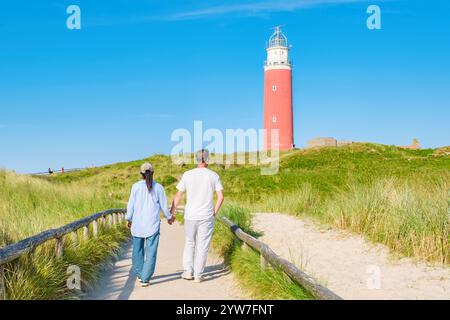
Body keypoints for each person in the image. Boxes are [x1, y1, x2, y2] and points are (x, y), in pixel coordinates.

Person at [171, 149, 224, 283]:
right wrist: (214, 212)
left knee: (190, 243)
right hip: (206, 216)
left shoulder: (187, 174)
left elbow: (178, 195)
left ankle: (188, 271)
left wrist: (172, 211)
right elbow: (221, 197)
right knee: (203, 245)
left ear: (196, 160)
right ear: (207, 160)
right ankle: (198, 275)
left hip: (190, 215)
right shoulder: (214, 175)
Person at [126, 162, 175, 287]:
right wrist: (169, 217)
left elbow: (130, 205)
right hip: (152, 224)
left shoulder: (135, 186)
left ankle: (140, 274)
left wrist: (128, 218)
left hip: (137, 225)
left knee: (137, 251)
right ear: (152, 173)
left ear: (141, 174)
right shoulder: (159, 187)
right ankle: (145, 278)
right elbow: (164, 206)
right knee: (151, 252)